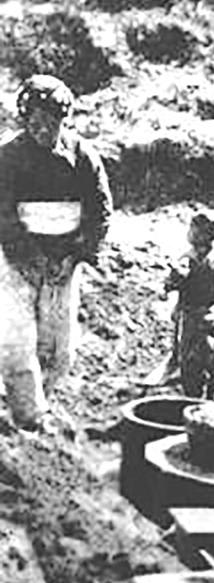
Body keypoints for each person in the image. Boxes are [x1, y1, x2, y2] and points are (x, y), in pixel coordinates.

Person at [0, 74, 112, 431]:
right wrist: (30, 259)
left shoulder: (83, 156)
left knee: (59, 348)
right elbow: (2, 215)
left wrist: (76, 255)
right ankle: (28, 416)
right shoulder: (8, 157)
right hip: (16, 263)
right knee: (17, 341)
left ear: (64, 120)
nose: (43, 130)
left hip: (64, 262)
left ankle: (40, 401)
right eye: (34, 122)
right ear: (25, 120)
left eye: (51, 122)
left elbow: (100, 211)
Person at [162, 211, 214, 399]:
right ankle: (211, 393)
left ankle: (192, 398)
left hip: (190, 314)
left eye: (193, 228)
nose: (189, 231)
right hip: (210, 311)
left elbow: (178, 279)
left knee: (189, 358)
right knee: (211, 352)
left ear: (201, 234)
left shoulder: (189, 258)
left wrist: (170, 281)